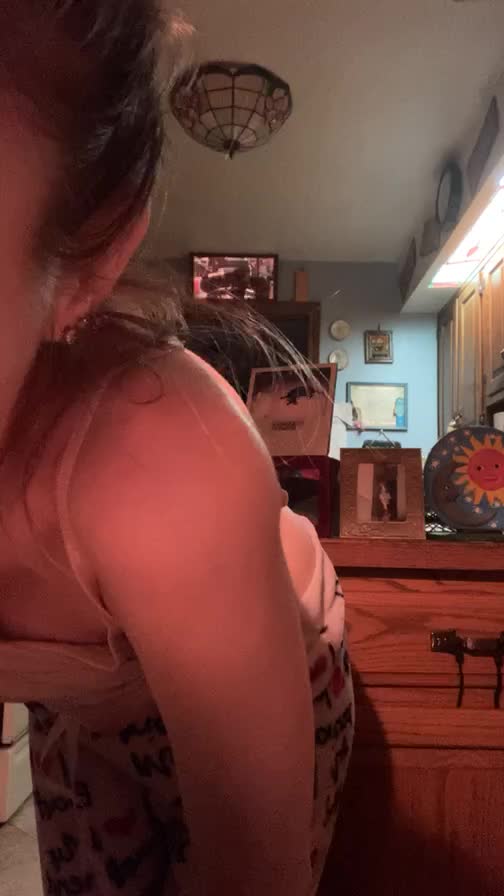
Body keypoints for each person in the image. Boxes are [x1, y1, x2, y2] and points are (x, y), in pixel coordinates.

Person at [0, 3, 354, 895]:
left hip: (278, 654)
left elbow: (259, 875)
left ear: (86, 264)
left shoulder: (161, 462)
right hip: (81, 701)